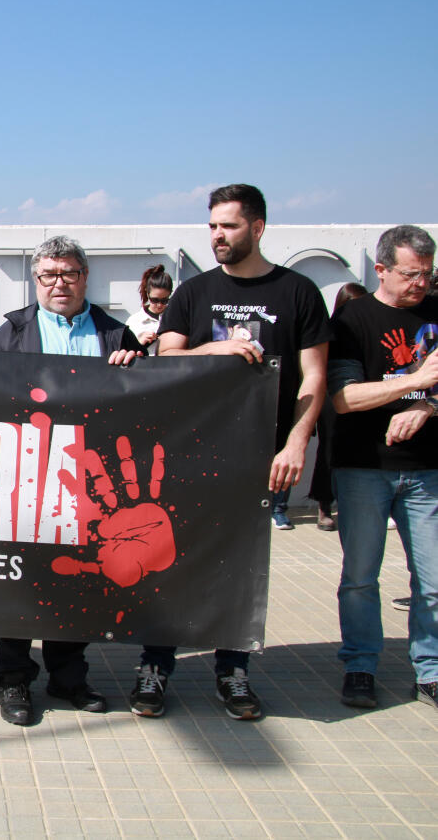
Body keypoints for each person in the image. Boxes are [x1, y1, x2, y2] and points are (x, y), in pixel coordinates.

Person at [133, 183, 330, 721]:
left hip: (256, 459)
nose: (218, 235)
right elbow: (168, 360)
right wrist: (214, 348)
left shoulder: (298, 293)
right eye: (213, 226)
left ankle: (233, 671)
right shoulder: (193, 293)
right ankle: (155, 667)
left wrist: (295, 441)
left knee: (239, 569)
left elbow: (313, 377)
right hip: (187, 456)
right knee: (167, 562)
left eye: (229, 226)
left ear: (258, 228)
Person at [0, 235, 140, 726]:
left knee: (78, 583)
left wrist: (136, 369)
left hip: (90, 483)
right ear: (35, 280)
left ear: (85, 277)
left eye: (69, 273)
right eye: (48, 275)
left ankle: (69, 676)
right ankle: (14, 679)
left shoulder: (116, 335)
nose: (59, 283)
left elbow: (147, 406)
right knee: (19, 584)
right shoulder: (8, 336)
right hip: (25, 480)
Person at [328, 226, 438, 711]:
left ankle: (430, 670)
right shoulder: (353, 319)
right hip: (363, 466)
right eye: (411, 274)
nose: (420, 283)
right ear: (381, 269)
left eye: (428, 274)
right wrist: (414, 381)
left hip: (429, 469)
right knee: (360, 576)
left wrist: (428, 405)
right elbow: (345, 398)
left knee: (432, 580)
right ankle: (360, 666)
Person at [309, 283, 369, 532]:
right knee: (328, 451)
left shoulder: (366, 328)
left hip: (361, 395)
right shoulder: (331, 329)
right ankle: (324, 506)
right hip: (330, 397)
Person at [124, 265, 174, 355]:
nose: (159, 305)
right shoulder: (134, 322)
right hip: (145, 367)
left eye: (164, 300)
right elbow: (125, 354)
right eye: (154, 300)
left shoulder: (177, 318)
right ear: (147, 293)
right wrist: (139, 344)